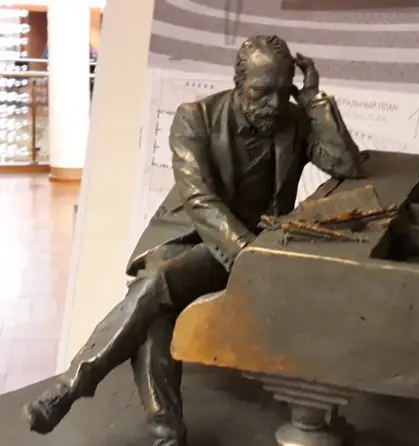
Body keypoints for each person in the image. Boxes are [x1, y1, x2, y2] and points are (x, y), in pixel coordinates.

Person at [23, 35, 364, 446]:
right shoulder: (196, 119)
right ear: (239, 83)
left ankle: (107, 403)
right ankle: (132, 413)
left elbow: (346, 164)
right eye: (262, 91)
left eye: (282, 91)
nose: (274, 104)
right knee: (157, 294)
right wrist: (249, 254)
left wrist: (313, 100)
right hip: (192, 237)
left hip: (247, 246)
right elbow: (200, 200)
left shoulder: (293, 120)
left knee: (154, 296)